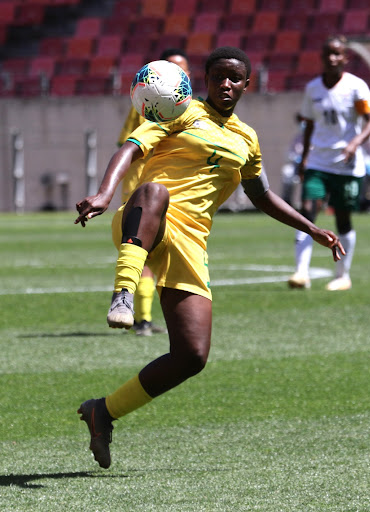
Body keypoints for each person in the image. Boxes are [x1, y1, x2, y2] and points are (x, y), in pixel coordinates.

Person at [75, 46, 344, 469]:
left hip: (191, 242)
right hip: (143, 219)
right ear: (205, 79)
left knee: (192, 355)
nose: (226, 84)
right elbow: (130, 147)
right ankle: (123, 294)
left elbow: (262, 195)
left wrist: (311, 228)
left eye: (234, 78)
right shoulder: (179, 111)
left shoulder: (246, 138)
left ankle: (102, 412)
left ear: (246, 84)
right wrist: (106, 194)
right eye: (218, 76)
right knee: (156, 190)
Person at [288, 35, 370, 291]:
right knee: (307, 212)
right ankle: (301, 273)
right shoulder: (313, 88)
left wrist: (355, 143)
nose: (332, 58)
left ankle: (342, 276)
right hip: (318, 161)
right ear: (322, 57)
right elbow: (309, 124)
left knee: (343, 218)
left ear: (345, 58)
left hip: (347, 163)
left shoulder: (357, 87)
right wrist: (304, 157)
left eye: (337, 53)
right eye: (328, 53)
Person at [118, 48, 191, 336]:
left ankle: (145, 318)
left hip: (167, 189)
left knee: (162, 256)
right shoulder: (149, 103)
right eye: (172, 68)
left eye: (183, 70)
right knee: (144, 253)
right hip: (142, 187)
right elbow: (127, 144)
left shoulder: (184, 107)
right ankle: (142, 319)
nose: (178, 74)